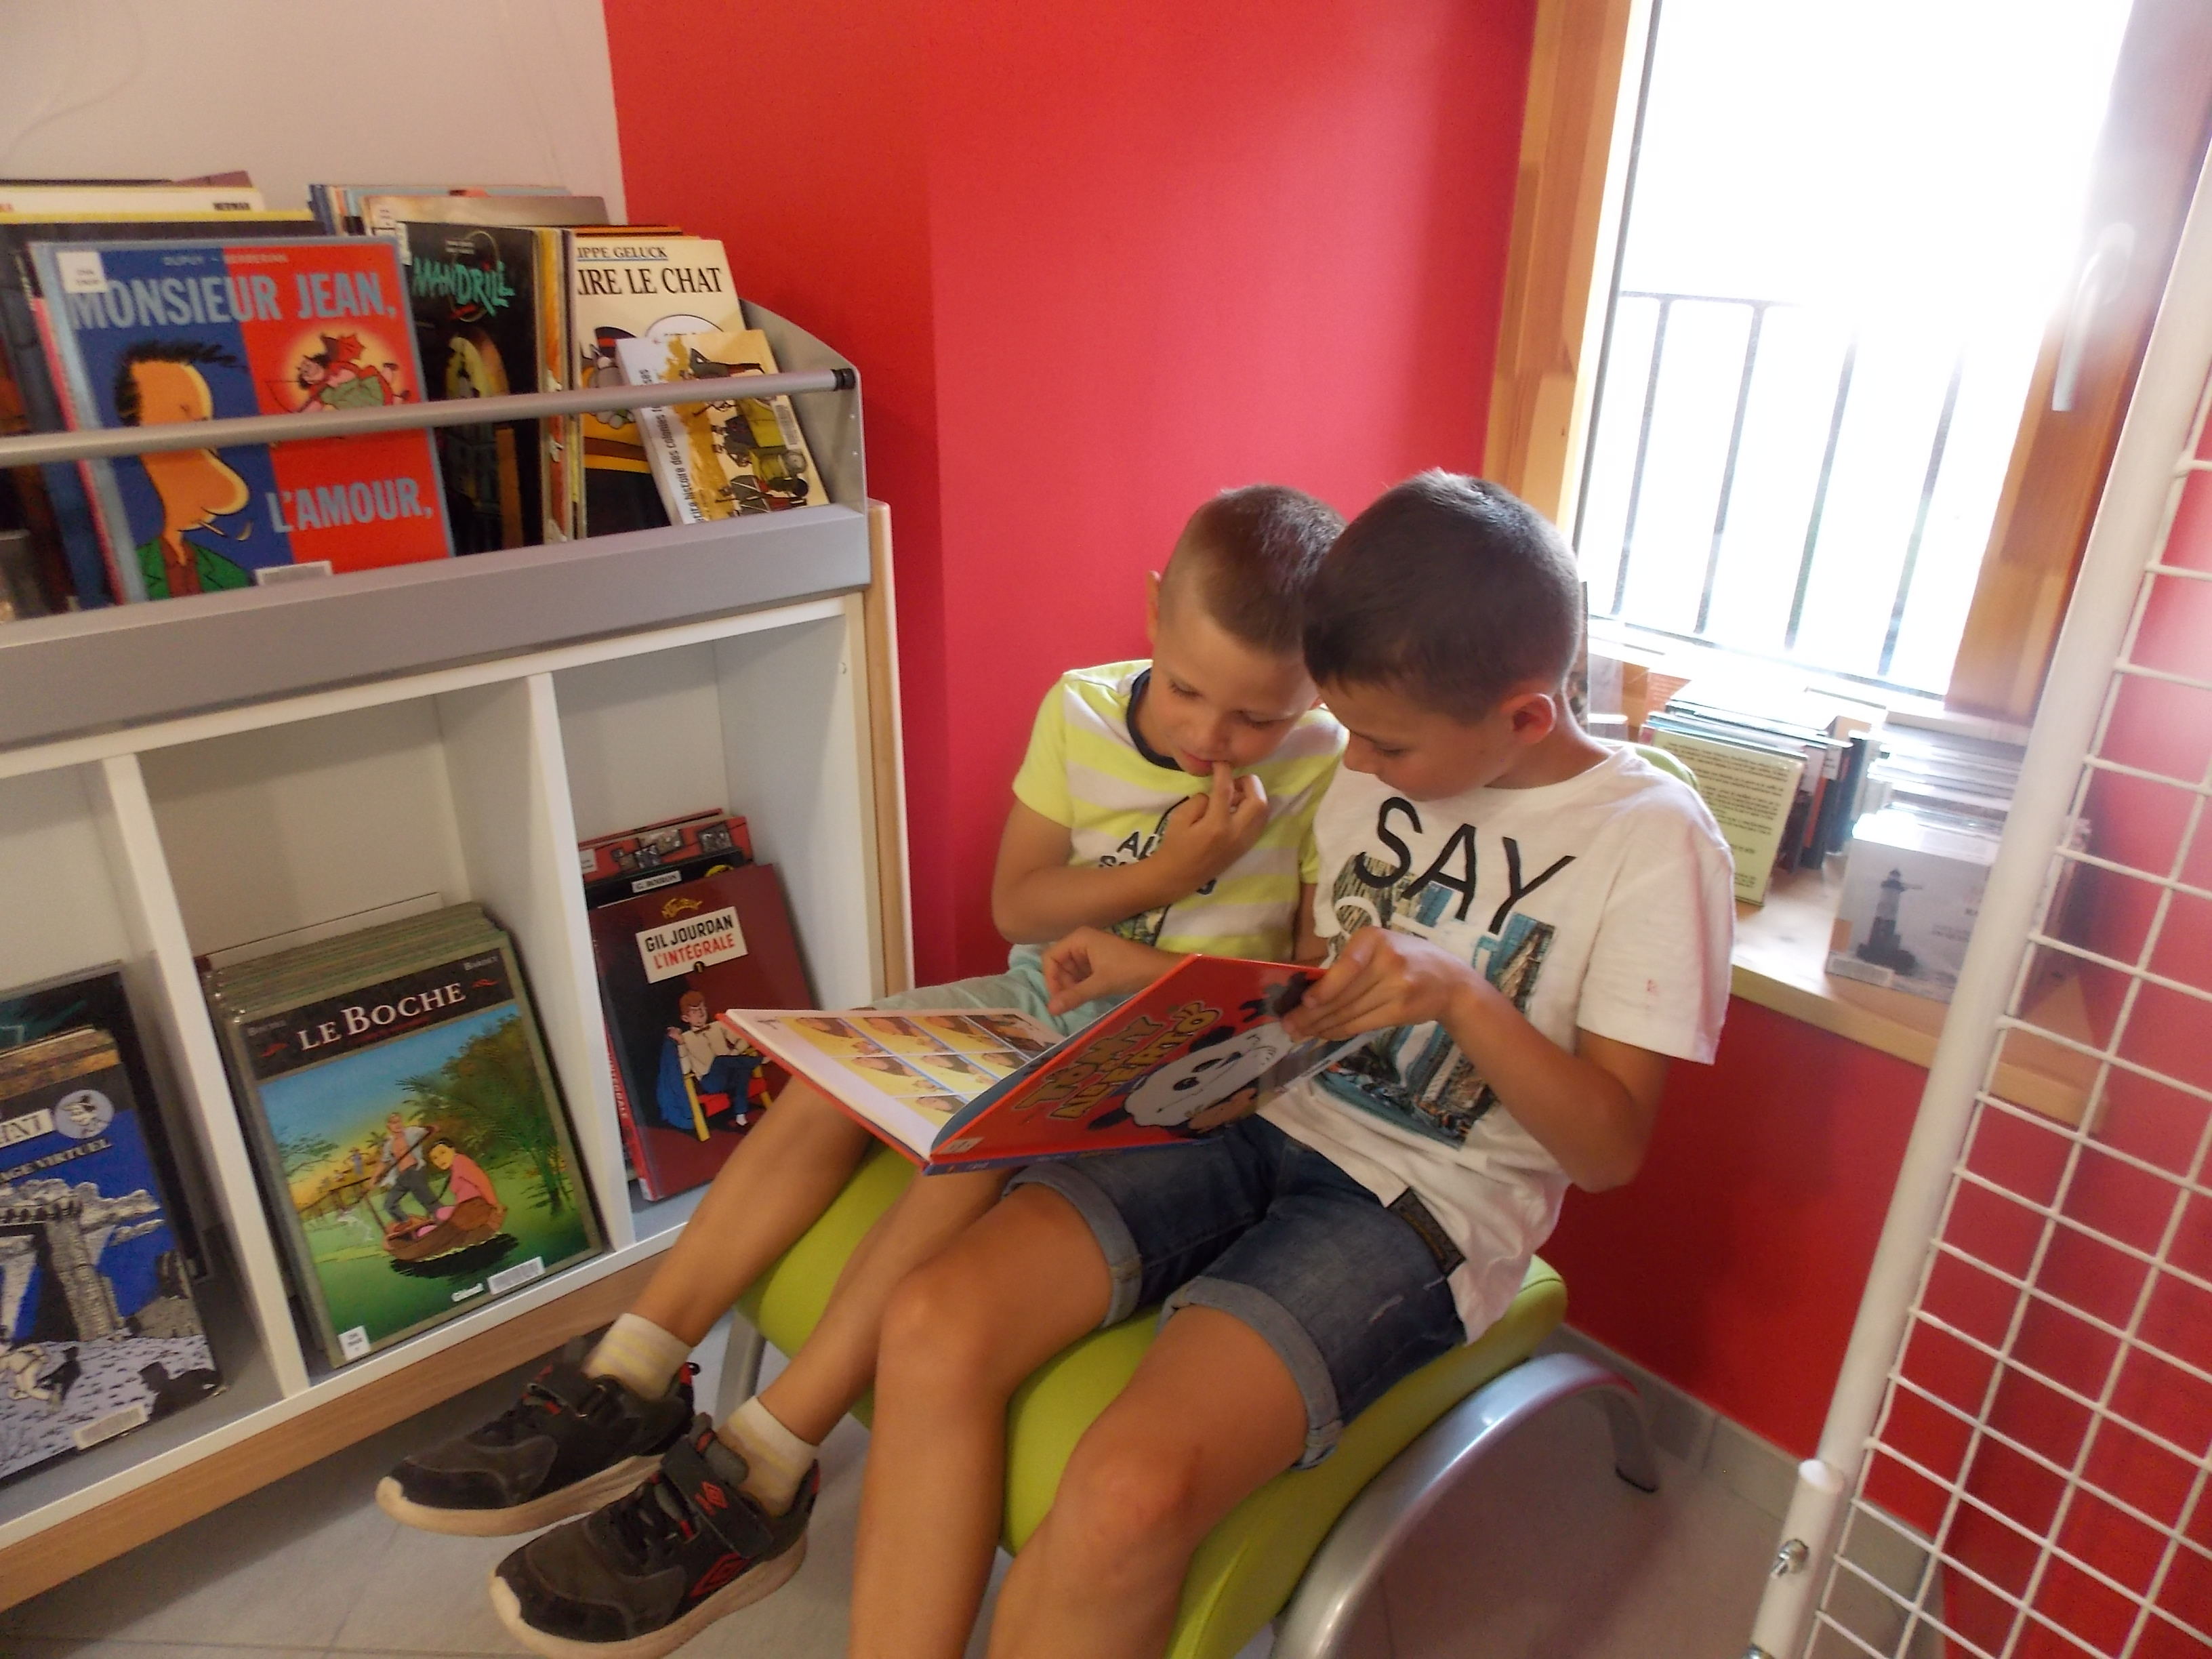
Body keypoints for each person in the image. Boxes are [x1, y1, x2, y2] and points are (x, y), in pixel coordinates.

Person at [377, 485, 1347, 1654]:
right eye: (1188, 691)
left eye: (1256, 716)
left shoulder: (1325, 765)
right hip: (1038, 997)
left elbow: (1302, 979)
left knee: (971, 1144)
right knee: (835, 1070)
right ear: (1152, 613)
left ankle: (767, 1457)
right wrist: (1162, 877)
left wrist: (1167, 961)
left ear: (1316, 688)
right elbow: (1019, 905)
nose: (1212, 737)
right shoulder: (1083, 709)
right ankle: (631, 1371)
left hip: (1168, 1057)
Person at [844, 472, 1736, 1658]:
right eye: (1344, 725)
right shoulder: (1359, 773)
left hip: (1419, 1203)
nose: (1350, 759)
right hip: (1252, 1112)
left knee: (1126, 1491)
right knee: (934, 1320)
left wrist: (1464, 996)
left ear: (1525, 717)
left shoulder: (1653, 842)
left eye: (1385, 742)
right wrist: (1159, 982)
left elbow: (1609, 1149)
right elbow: (1306, 986)